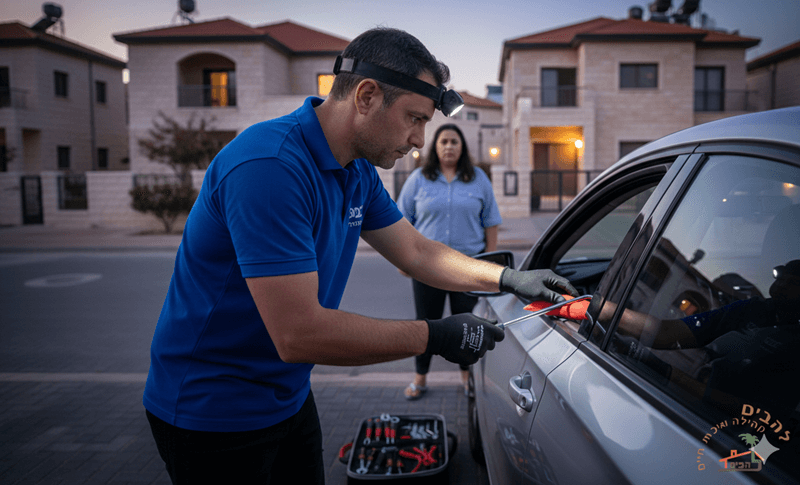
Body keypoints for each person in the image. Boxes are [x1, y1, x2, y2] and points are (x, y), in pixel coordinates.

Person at [143, 27, 577, 485]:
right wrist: (435, 336)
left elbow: (415, 251)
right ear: (366, 96)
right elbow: (297, 334)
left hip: (286, 396)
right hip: (212, 412)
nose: (419, 141)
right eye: (414, 118)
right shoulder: (270, 167)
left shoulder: (357, 172)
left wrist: (507, 278)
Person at [396, 123, 502, 400]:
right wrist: (403, 258)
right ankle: (420, 378)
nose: (449, 147)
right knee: (426, 324)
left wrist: (489, 263)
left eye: (454, 141)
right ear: (436, 146)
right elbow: (401, 220)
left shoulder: (478, 178)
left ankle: (467, 377)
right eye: (444, 141)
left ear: (462, 147)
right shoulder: (419, 178)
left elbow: (491, 222)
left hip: (468, 268)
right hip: (427, 267)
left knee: (468, 325)